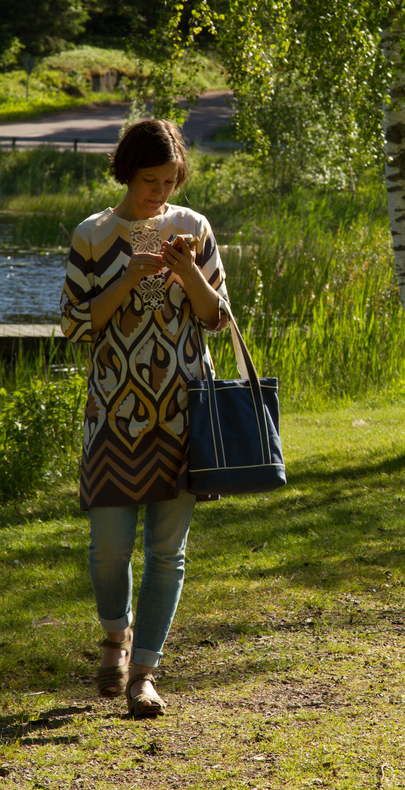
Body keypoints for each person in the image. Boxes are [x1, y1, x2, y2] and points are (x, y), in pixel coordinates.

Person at [60, 118, 229, 718]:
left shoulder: (194, 229)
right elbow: (77, 325)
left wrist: (185, 272)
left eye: (169, 180)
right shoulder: (93, 236)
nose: (159, 192)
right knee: (108, 547)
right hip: (113, 412)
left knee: (167, 549)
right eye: (149, 180)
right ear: (126, 173)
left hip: (184, 412)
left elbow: (216, 318)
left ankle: (144, 673)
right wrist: (128, 276)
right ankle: (115, 635)